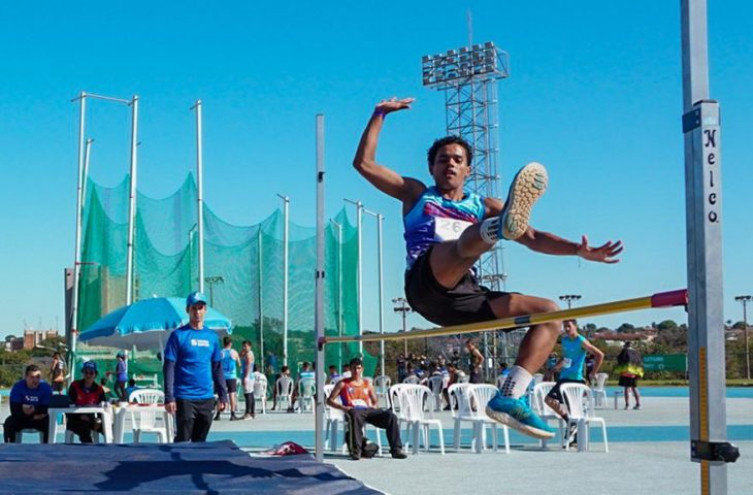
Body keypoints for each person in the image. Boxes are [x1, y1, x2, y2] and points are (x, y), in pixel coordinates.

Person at [353, 96, 622, 440]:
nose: (449, 164)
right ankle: (497, 230)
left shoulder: (484, 204)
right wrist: (379, 114)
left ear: (468, 169)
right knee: (460, 246)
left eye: (457, 160)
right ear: (432, 168)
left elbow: (535, 237)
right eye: (442, 160)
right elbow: (364, 163)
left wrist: (579, 251)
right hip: (425, 283)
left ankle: (509, 395)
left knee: (550, 313)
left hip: (465, 297)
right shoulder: (417, 194)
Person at [163, 291, 228, 442]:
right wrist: (169, 397)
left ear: (205, 310)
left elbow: (217, 368)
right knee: (183, 441)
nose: (197, 312)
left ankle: (199, 466)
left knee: (201, 443)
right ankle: (178, 465)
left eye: (200, 308)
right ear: (188, 310)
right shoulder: (178, 336)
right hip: (185, 398)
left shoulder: (212, 337)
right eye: (194, 308)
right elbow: (169, 367)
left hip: (206, 398)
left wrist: (223, 395)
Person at [327, 357, 407, 460]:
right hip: (352, 410)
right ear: (350, 369)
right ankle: (356, 451)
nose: (356, 371)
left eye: (358, 368)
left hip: (367, 410)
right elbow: (329, 400)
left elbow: (374, 400)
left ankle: (396, 450)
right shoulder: (343, 383)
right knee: (355, 415)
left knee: (391, 416)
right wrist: (343, 407)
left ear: (362, 369)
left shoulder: (367, 384)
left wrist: (373, 407)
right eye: (354, 368)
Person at [543, 319, 604, 446]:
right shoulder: (564, 341)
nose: (566, 329)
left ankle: (573, 433)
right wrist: (556, 368)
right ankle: (570, 422)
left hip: (576, 379)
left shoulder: (581, 341)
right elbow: (566, 357)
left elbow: (600, 355)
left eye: (569, 326)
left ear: (575, 327)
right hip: (564, 377)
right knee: (548, 400)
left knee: (573, 408)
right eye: (565, 327)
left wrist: (593, 372)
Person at [3, 365, 53, 443]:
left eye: (38, 377)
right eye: (32, 377)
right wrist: (31, 415)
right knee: (9, 423)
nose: (35, 380)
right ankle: (10, 448)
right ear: (26, 377)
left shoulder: (45, 388)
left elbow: (47, 408)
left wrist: (35, 409)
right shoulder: (18, 387)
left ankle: (47, 449)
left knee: (50, 423)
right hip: (23, 418)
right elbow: (14, 410)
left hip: (40, 419)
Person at [66, 361, 108, 443]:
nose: (88, 375)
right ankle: (90, 451)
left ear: (95, 374)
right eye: (86, 372)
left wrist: (99, 420)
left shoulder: (99, 390)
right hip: (75, 420)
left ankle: (113, 450)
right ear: (83, 373)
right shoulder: (74, 386)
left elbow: (103, 407)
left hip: (91, 419)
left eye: (91, 373)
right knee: (84, 429)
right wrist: (80, 416)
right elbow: (69, 405)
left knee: (107, 427)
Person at [216, 336, 241, 421]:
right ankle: (232, 414)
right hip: (231, 376)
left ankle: (218, 414)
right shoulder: (234, 352)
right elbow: (239, 364)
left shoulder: (220, 352)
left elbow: (216, 364)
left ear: (223, 343)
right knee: (232, 395)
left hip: (222, 376)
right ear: (231, 343)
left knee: (221, 395)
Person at [615, 341, 644, 410]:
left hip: (626, 371)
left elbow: (620, 359)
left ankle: (627, 404)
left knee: (627, 388)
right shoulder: (636, 353)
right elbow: (640, 362)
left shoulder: (624, 351)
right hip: (635, 372)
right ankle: (638, 404)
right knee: (634, 387)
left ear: (625, 346)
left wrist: (619, 370)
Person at [239, 340, 256, 420]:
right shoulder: (246, 353)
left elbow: (248, 365)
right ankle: (252, 412)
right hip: (249, 376)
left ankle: (248, 413)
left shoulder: (249, 354)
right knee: (250, 394)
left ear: (249, 346)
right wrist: (242, 351)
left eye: (245, 346)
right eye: (243, 346)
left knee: (248, 395)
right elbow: (239, 356)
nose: (244, 348)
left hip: (248, 376)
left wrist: (246, 377)